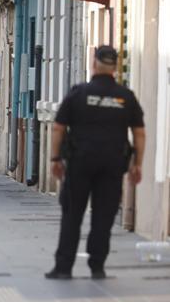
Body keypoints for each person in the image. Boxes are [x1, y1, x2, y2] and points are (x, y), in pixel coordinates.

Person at [45, 45, 145, 280]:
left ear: (94, 63)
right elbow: (139, 133)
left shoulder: (78, 93)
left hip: (80, 162)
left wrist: (55, 158)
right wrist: (137, 164)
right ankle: (97, 267)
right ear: (115, 67)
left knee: (72, 214)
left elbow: (59, 127)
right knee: (104, 215)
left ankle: (63, 267)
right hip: (112, 164)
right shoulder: (125, 97)